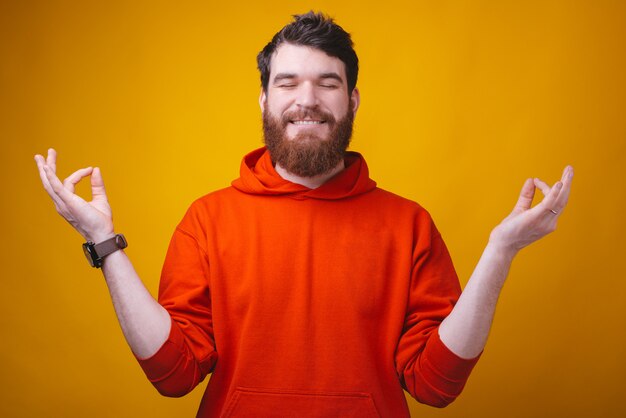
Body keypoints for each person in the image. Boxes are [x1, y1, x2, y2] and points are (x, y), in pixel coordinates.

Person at [34, 11, 573, 418]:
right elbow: (173, 374)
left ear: (354, 100)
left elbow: (436, 386)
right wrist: (103, 241)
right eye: (287, 83)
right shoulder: (208, 220)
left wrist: (500, 251)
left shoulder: (408, 225)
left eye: (328, 83)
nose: (306, 99)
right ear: (264, 100)